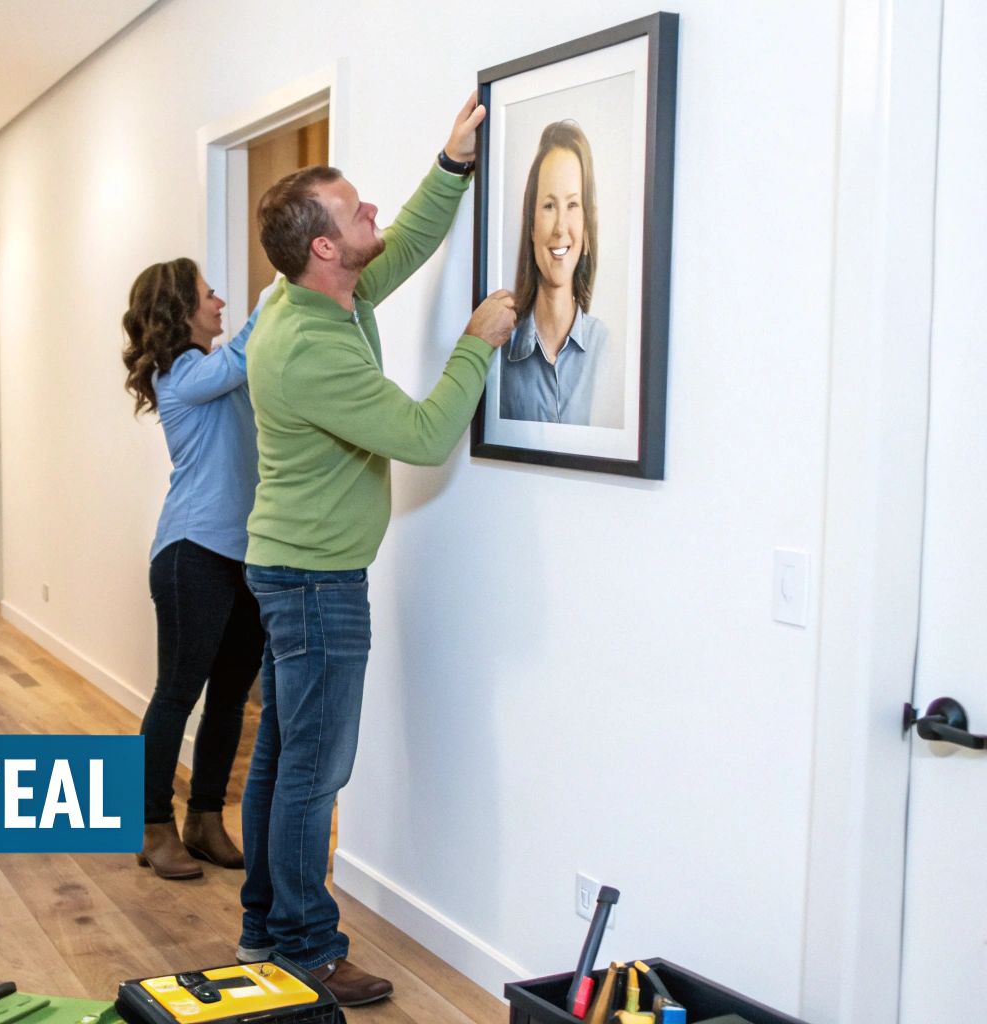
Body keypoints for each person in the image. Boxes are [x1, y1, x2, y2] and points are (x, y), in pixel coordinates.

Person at [234, 93, 517, 1006]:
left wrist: (455, 164)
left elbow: (400, 247)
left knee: (283, 756)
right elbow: (430, 434)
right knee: (313, 770)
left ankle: (264, 929)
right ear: (322, 248)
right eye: (355, 211)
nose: (372, 216)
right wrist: (474, 345)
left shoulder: (318, 294)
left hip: (294, 567)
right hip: (314, 582)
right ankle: (307, 949)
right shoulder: (309, 347)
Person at [121, 259, 277, 880]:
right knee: (178, 693)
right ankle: (152, 825)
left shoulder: (214, 376)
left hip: (243, 555)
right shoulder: (180, 373)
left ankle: (206, 819)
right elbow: (241, 354)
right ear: (181, 309)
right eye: (210, 295)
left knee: (231, 698)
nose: (220, 303)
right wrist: (283, 282)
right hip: (192, 553)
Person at [498, 120, 616, 426]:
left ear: (588, 227)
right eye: (549, 206)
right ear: (532, 227)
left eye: (573, 205)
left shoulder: (607, 350)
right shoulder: (499, 352)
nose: (561, 227)